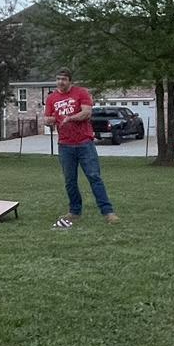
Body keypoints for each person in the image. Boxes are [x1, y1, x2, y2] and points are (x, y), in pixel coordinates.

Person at [42, 68, 119, 227]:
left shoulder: (81, 93)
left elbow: (87, 113)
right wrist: (52, 120)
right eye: (58, 79)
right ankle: (74, 211)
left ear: (70, 81)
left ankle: (108, 212)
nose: (60, 82)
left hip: (84, 143)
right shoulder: (52, 98)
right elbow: (46, 118)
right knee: (70, 181)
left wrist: (69, 118)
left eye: (63, 79)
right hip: (65, 145)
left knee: (94, 177)